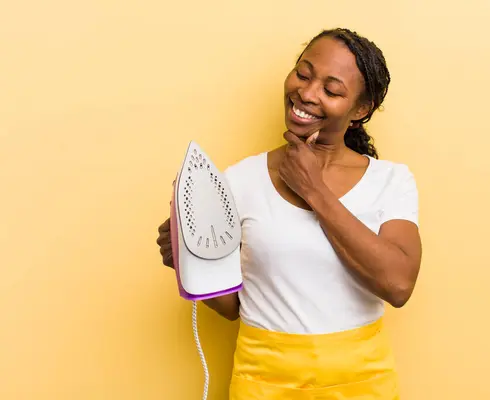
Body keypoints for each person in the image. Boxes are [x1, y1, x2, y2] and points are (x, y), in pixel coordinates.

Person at [156, 27, 422, 399]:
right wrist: (189, 263)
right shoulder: (238, 181)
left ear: (361, 110)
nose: (307, 93)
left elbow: (397, 285)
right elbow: (233, 307)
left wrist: (313, 189)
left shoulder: (390, 181)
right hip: (262, 383)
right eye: (303, 73)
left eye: (331, 90)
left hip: (361, 386)